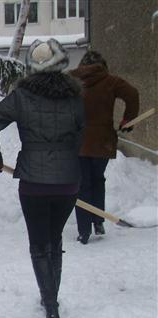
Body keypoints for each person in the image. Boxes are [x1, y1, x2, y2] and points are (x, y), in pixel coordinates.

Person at [0, 39, 84, 318]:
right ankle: (52, 300)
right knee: (56, 239)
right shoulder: (75, 97)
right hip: (67, 182)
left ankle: (50, 306)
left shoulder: (22, 95)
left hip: (34, 183)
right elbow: (81, 132)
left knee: (39, 244)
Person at [70, 50, 139, 244]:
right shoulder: (110, 81)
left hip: (78, 142)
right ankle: (98, 221)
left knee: (81, 185)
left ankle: (83, 231)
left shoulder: (70, 80)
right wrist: (128, 120)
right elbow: (132, 94)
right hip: (102, 141)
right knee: (97, 180)